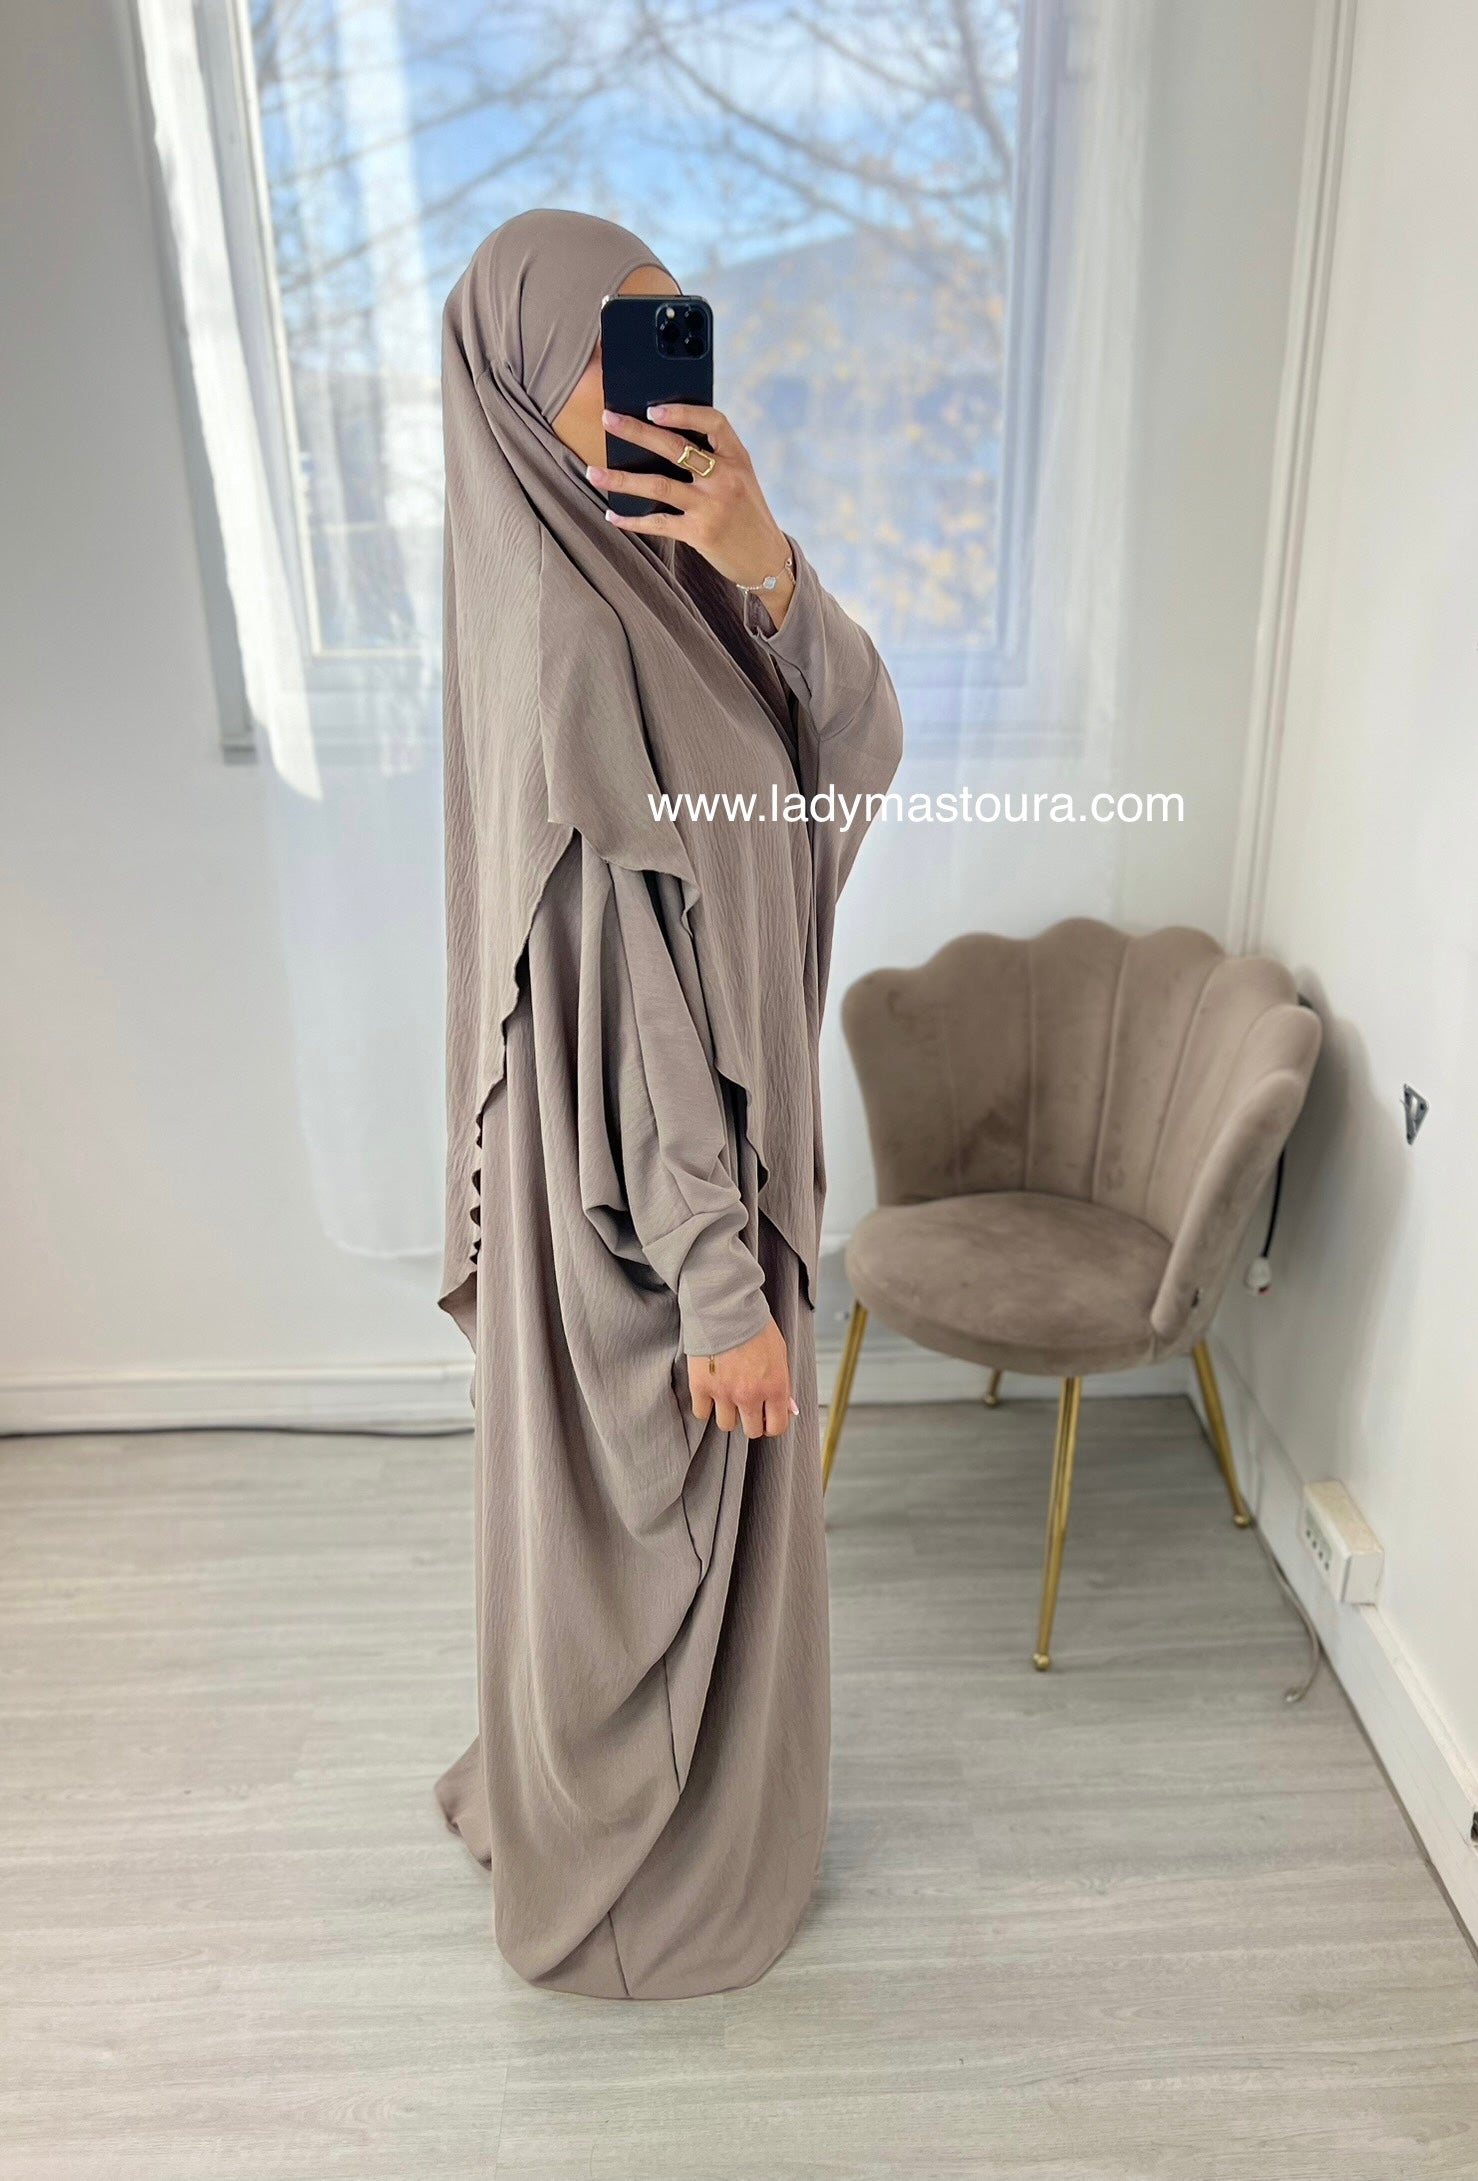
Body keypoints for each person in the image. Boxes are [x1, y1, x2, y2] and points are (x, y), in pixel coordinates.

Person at [433, 208, 903, 1999]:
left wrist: (765, 562)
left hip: (691, 1166)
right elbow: (632, 1007)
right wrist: (717, 1288)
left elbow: (847, 749)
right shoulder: (573, 634)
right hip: (648, 1201)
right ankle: (642, 1881)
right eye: (603, 355)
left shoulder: (668, 583)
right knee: (658, 1540)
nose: (643, 394)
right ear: (516, 387)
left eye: (665, 339)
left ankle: (668, 1818)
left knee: (669, 1549)